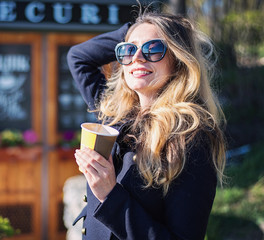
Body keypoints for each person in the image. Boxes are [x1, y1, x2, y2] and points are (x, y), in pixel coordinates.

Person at [66, 7, 227, 240]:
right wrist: (135, 30)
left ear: (179, 61)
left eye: (153, 49)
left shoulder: (192, 137)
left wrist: (109, 195)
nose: (137, 58)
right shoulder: (115, 116)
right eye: (128, 50)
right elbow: (78, 57)